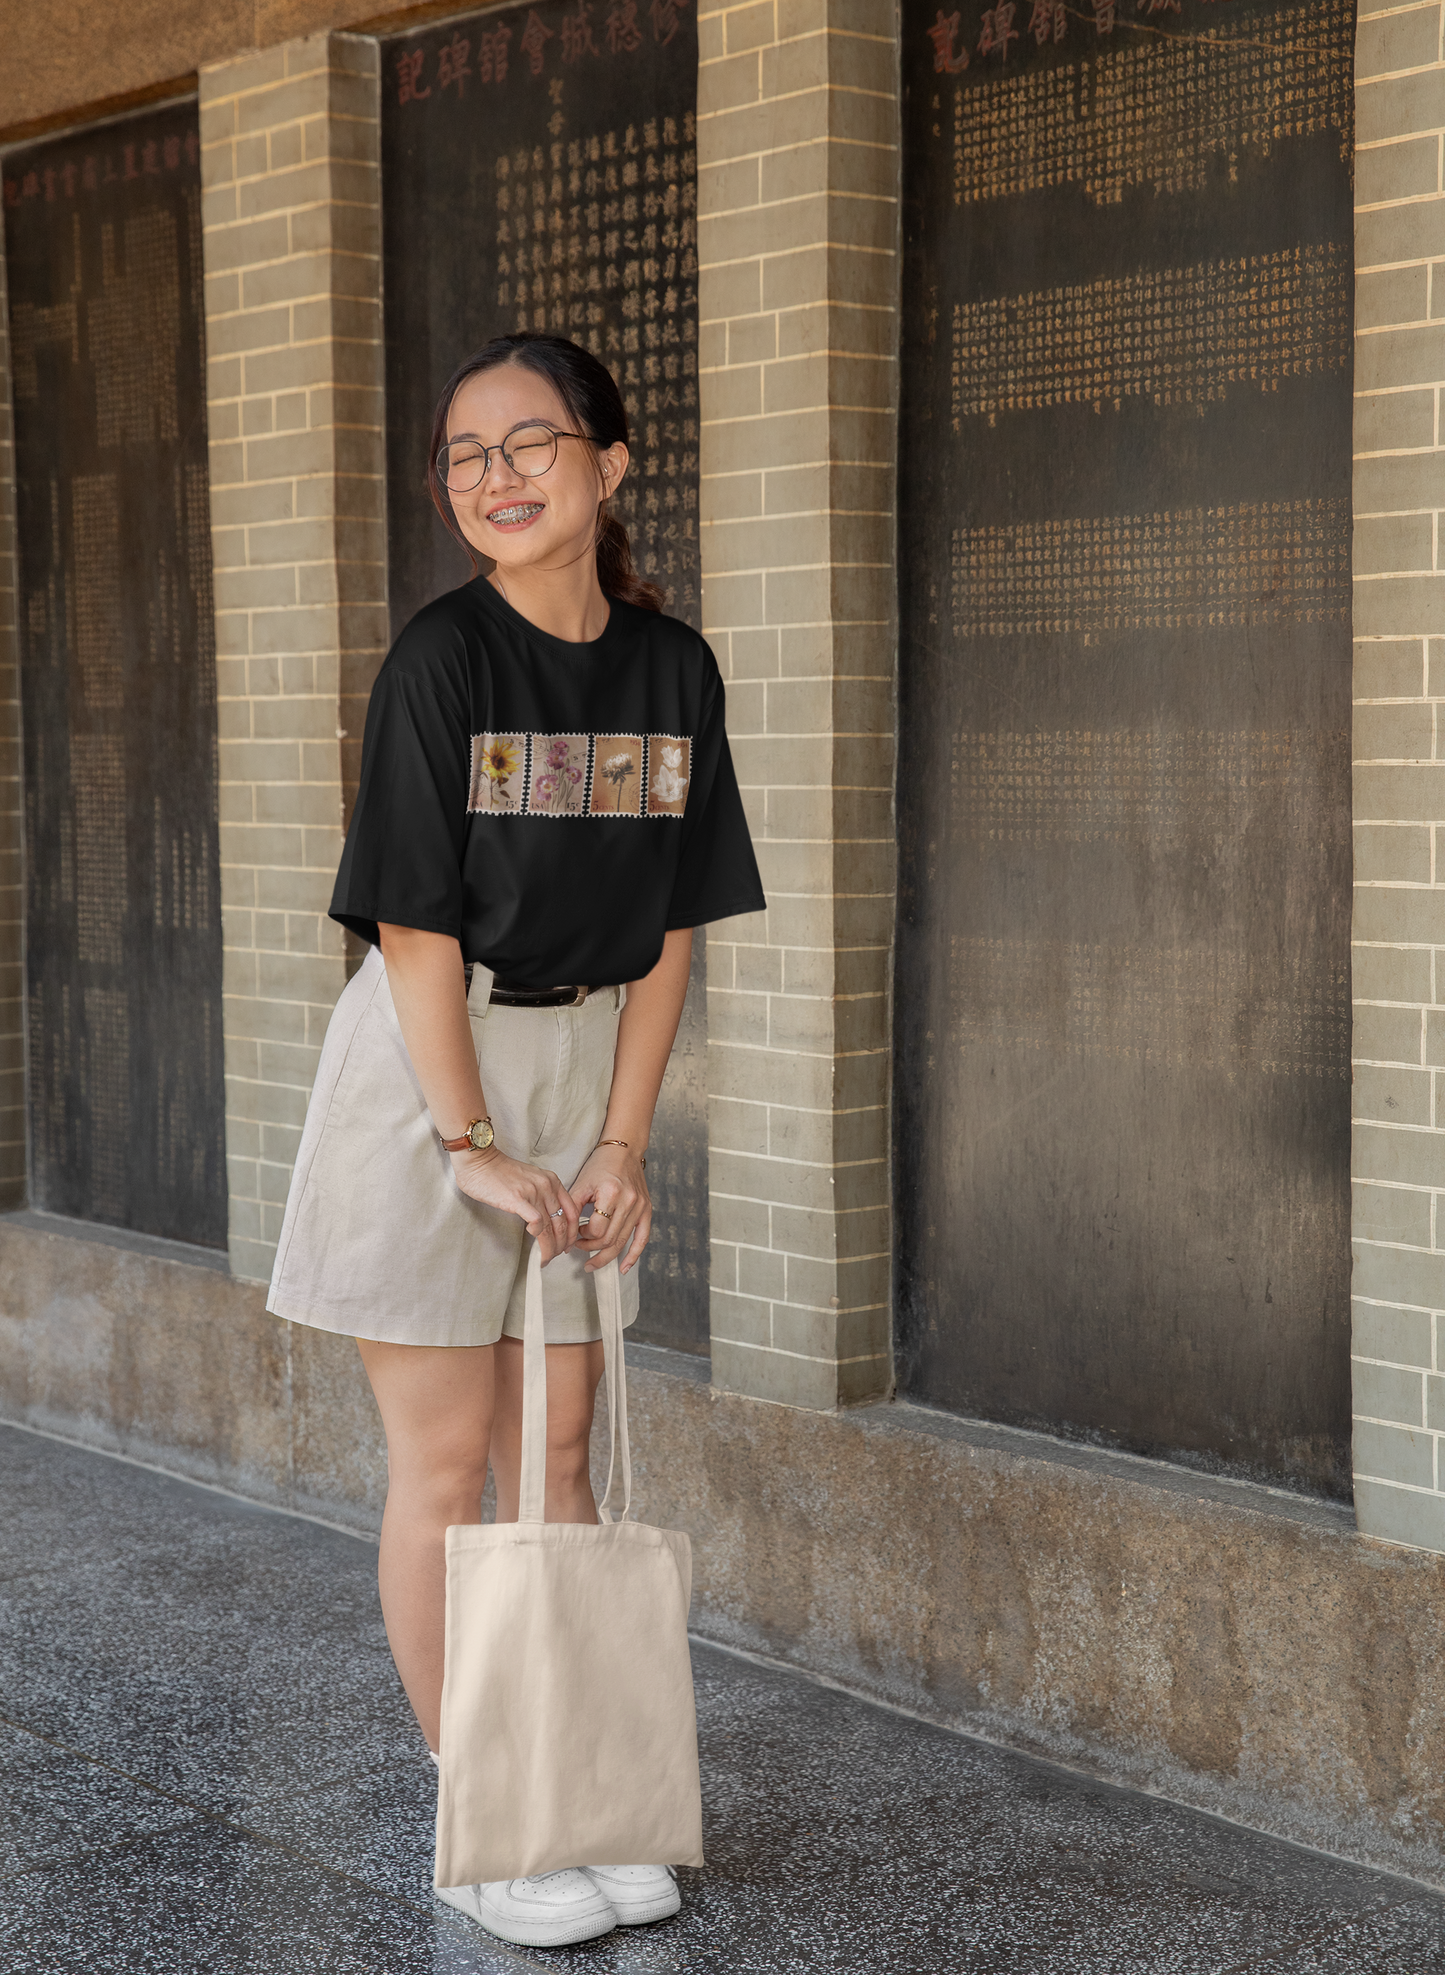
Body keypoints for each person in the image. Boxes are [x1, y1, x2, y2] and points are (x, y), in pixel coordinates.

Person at [265, 332, 764, 1949]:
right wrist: (466, 1135)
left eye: (527, 443)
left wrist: (625, 1144)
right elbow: (413, 928)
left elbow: (675, 929)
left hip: (578, 1076)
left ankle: (568, 1789)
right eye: (465, 455)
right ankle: (482, 1808)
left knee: (556, 1459)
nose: (493, 477)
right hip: (434, 1068)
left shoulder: (671, 672)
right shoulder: (441, 662)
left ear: (608, 467)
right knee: (445, 1465)